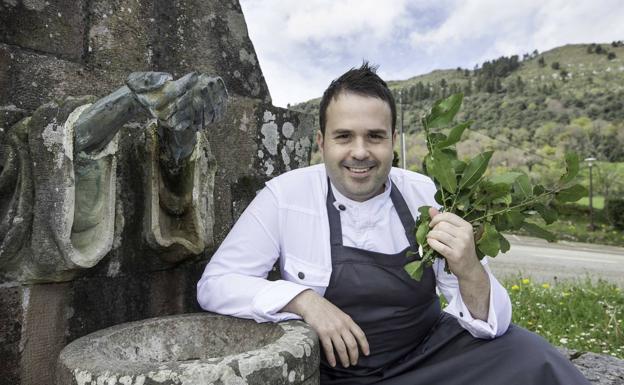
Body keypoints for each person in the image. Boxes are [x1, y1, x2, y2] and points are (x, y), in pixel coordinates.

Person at [197, 63, 590, 384]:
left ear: (394, 140)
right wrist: (303, 300)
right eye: (344, 136)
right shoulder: (285, 197)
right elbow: (216, 285)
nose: (360, 152)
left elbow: (491, 323)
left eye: (375, 136)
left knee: (534, 358)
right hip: (335, 376)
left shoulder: (424, 192)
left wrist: (469, 268)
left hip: (430, 362)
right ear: (321, 142)